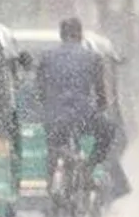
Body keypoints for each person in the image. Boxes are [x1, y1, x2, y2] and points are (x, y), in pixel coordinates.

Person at [35, 17, 110, 188]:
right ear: (80, 35)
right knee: (108, 131)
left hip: (54, 117)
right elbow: (100, 91)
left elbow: (39, 90)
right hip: (82, 117)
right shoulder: (93, 58)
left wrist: (46, 107)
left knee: (53, 144)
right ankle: (90, 167)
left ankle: (51, 175)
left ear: (61, 35)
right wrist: (101, 106)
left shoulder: (47, 57)